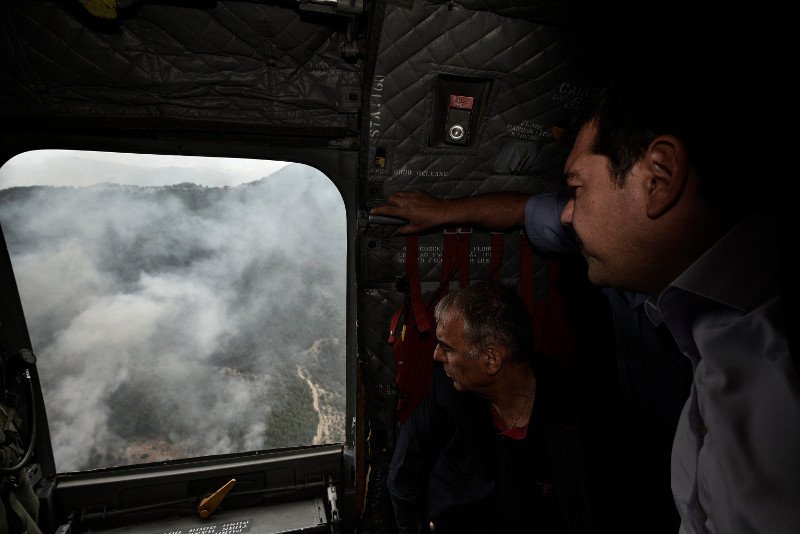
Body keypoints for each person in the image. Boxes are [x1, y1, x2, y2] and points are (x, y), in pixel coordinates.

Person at [378, 63, 799, 533]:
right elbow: (525, 212)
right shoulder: (648, 269)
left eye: (576, 187)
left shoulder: (765, 382)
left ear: (658, 178)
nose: (568, 214)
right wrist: (444, 212)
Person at [387, 281, 604, 534]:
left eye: (447, 348)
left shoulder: (577, 414)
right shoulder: (447, 389)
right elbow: (403, 469)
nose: (436, 355)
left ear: (491, 360)